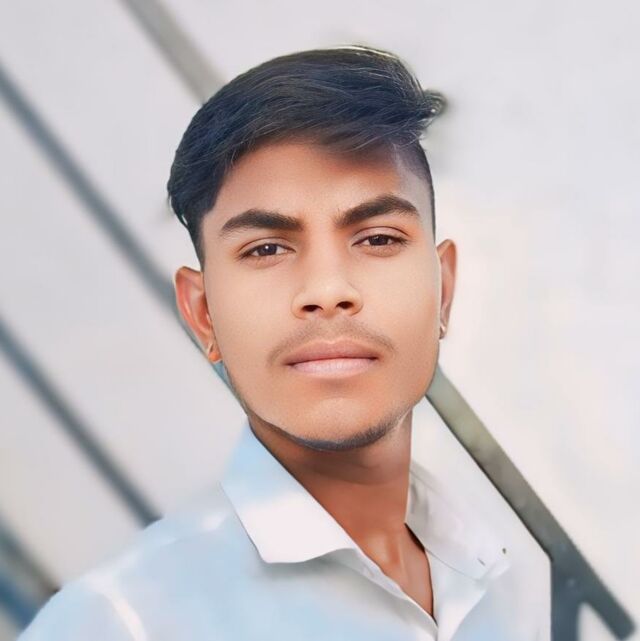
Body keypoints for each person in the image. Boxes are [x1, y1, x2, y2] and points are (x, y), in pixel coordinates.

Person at [17, 44, 549, 640]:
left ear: (442, 288)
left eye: (377, 239)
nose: (327, 290)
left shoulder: (507, 576)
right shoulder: (119, 623)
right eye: (266, 248)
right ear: (203, 315)